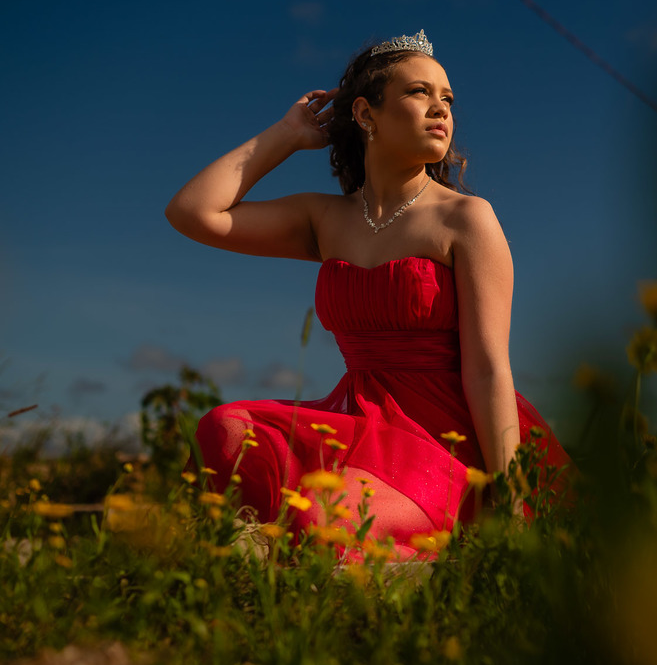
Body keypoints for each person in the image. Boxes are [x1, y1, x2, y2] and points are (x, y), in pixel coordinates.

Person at [165, 31, 571, 561]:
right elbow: (194, 213)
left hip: (447, 440)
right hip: (357, 422)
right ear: (365, 113)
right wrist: (287, 134)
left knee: (324, 519)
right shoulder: (326, 219)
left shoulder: (466, 219)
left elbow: (489, 368)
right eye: (419, 93)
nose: (440, 109)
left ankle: (286, 552)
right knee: (222, 428)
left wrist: (511, 494)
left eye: (447, 98)